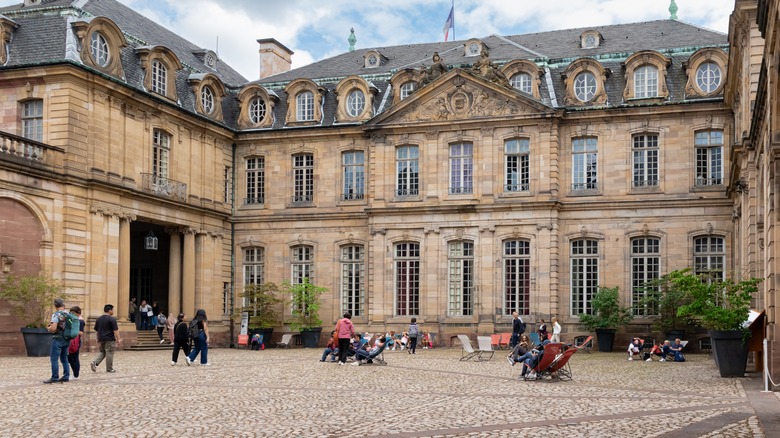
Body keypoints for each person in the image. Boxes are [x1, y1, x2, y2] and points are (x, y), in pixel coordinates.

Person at [44, 298, 71, 384]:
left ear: (55, 306)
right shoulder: (68, 314)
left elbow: (54, 328)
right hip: (67, 338)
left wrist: (49, 328)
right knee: (64, 358)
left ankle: (55, 377)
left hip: (58, 338)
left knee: (54, 358)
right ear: (63, 305)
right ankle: (66, 376)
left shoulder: (56, 315)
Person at [91, 304, 121, 373]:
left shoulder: (99, 319)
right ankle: (109, 369)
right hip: (109, 338)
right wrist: (118, 338)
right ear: (110, 310)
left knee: (103, 352)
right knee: (109, 352)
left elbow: (97, 330)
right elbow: (115, 330)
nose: (113, 311)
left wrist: (98, 337)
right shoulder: (112, 319)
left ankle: (95, 363)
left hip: (101, 338)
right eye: (113, 310)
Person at [66, 306, 85, 380]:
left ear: (78, 313)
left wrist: (72, 331)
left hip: (75, 341)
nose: (71, 314)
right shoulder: (71, 319)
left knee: (75, 358)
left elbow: (81, 332)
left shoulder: (80, 321)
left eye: (73, 313)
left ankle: (76, 375)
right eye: (70, 312)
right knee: (69, 358)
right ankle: (74, 373)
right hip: (69, 340)